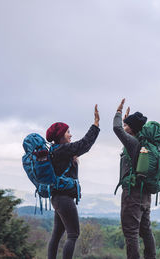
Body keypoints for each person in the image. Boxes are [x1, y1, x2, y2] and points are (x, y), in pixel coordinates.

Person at [46, 104, 100, 259]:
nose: (70, 135)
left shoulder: (57, 151)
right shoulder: (62, 150)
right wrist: (96, 124)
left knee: (56, 235)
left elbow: (79, 147)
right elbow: (84, 144)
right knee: (73, 234)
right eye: (68, 132)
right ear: (61, 136)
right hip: (63, 199)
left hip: (57, 198)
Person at [113, 98, 156, 259]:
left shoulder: (132, 142)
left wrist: (118, 113)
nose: (124, 128)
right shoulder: (141, 142)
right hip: (145, 194)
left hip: (133, 194)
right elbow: (125, 129)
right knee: (146, 230)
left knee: (131, 233)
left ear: (131, 129)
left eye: (127, 126)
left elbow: (117, 128)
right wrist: (127, 121)